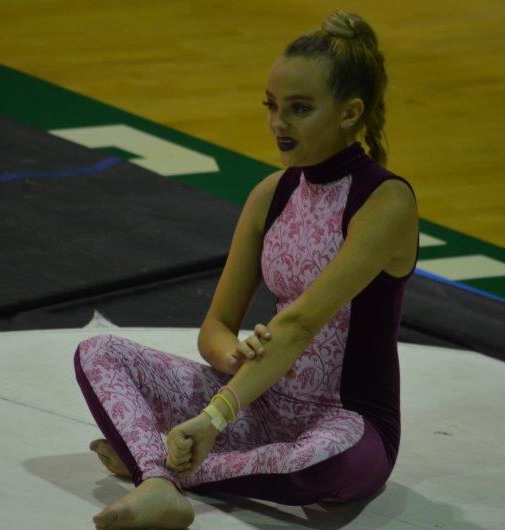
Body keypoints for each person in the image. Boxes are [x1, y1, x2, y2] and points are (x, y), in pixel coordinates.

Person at [73, 10, 419, 529]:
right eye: (271, 105)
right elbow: (215, 327)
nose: (279, 123)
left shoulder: (386, 202)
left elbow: (300, 324)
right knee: (99, 352)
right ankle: (161, 481)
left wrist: (216, 416)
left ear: (350, 113)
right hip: (256, 401)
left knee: (327, 466)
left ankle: (156, 466)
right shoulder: (270, 194)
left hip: (345, 424)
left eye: (300, 109)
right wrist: (236, 357)